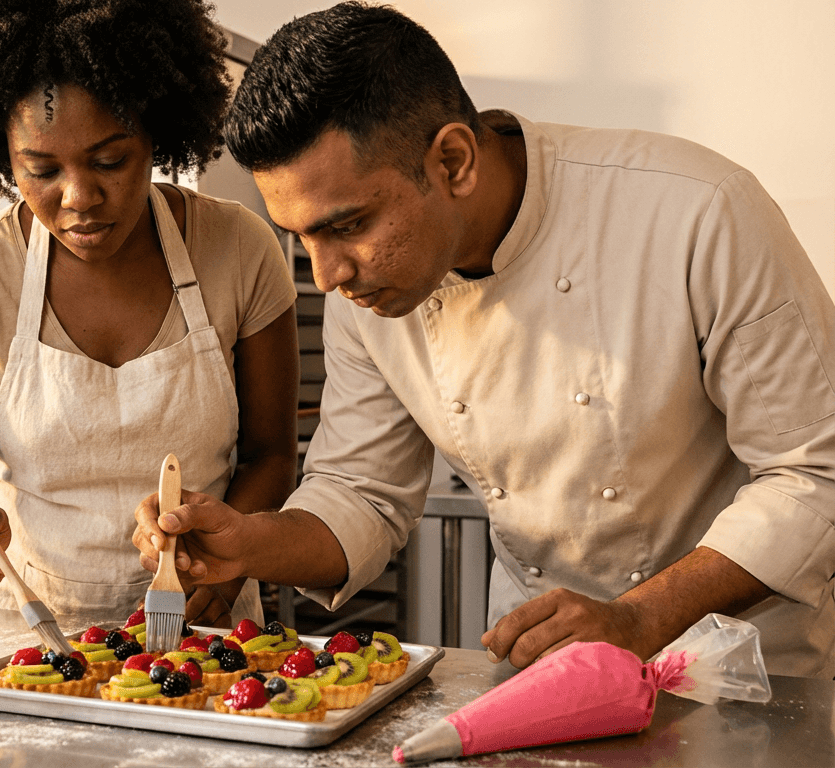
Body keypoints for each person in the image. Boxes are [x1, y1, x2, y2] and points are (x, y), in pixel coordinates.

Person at [132, 1, 835, 677]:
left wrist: (639, 619)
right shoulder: (367, 289)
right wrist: (246, 541)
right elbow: (361, 491)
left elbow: (814, 475)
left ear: (455, 161)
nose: (326, 274)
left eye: (346, 225)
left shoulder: (697, 210)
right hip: (541, 664)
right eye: (302, 238)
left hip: (736, 671)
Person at [0, 0, 299, 625]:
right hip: (29, 635)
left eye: (110, 161)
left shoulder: (237, 248)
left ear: (156, 134)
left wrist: (218, 567)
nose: (80, 198)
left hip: (207, 622)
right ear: (2, 157)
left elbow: (274, 455)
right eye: (41, 170)